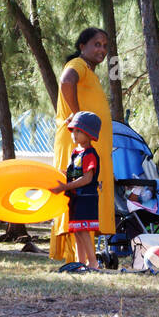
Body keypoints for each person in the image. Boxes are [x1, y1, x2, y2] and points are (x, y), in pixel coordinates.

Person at [50, 28, 114, 264]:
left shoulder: (89, 71)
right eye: (96, 44)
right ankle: (80, 258)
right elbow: (66, 81)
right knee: (77, 198)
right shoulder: (77, 64)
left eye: (105, 45)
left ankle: (82, 259)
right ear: (82, 46)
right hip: (75, 145)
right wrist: (78, 118)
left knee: (85, 201)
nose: (102, 50)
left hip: (89, 149)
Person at [50, 111, 103, 271]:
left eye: (79, 131)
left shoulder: (89, 154)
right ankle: (81, 262)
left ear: (89, 135)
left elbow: (87, 178)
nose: (74, 134)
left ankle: (93, 262)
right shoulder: (75, 153)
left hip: (86, 198)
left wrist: (65, 187)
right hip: (75, 199)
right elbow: (75, 174)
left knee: (84, 231)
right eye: (73, 130)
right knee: (78, 232)